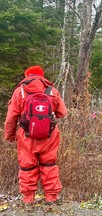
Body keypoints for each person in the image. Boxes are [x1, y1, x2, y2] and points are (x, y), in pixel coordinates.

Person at [4, 65, 67, 205]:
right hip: (49, 136)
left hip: (27, 136)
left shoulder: (19, 92)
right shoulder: (52, 91)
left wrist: (9, 136)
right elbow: (62, 113)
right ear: (42, 76)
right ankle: (51, 198)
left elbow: (10, 118)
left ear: (27, 76)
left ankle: (28, 199)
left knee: (27, 166)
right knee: (49, 165)